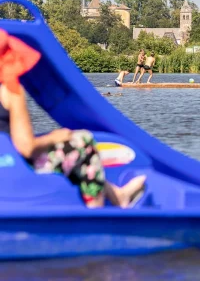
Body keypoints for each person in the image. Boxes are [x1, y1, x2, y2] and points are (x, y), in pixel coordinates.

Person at [0, 29, 146, 209]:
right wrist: (56, 136)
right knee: (82, 141)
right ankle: (98, 210)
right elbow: (26, 147)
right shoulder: (9, 91)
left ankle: (115, 193)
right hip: (10, 167)